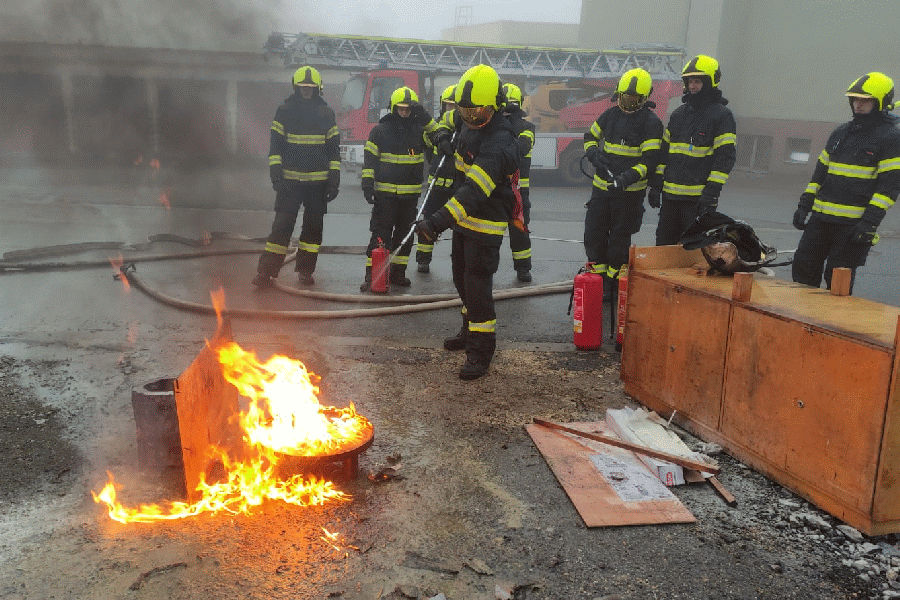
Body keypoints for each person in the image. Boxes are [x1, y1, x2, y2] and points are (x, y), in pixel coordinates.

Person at [415, 64, 522, 380]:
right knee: (462, 280)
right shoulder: (466, 117)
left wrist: (436, 222)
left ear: (494, 106)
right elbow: (442, 122)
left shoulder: (500, 142)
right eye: (465, 112)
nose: (470, 119)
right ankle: (468, 332)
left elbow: (474, 192)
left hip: (485, 221)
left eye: (477, 113)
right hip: (464, 220)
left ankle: (480, 352)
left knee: (477, 287)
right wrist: (442, 137)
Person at [792, 72, 900, 293]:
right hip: (820, 220)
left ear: (881, 103)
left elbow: (889, 187)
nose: (858, 104)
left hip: (852, 226)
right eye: (855, 99)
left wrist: (869, 224)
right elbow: (819, 175)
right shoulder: (841, 132)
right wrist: (804, 206)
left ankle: (832, 317)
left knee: (837, 281)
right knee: (803, 270)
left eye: (865, 100)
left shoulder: (890, 138)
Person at [253, 65, 340, 287]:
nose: (306, 90)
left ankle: (305, 271)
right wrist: (276, 173)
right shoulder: (284, 111)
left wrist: (333, 180)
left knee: (313, 229)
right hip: (289, 182)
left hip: (318, 184)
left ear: (317, 88)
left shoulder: (326, 114)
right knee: (281, 227)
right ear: (296, 87)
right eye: (303, 87)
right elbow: (275, 146)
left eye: (310, 87)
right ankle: (266, 273)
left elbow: (333, 150)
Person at [582, 68, 663, 292]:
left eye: (633, 100)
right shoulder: (610, 115)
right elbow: (590, 136)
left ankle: (614, 284)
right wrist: (593, 153)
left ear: (644, 99)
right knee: (593, 234)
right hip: (601, 189)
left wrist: (626, 179)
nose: (627, 103)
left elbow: (649, 161)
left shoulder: (650, 123)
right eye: (624, 97)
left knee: (619, 240)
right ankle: (597, 279)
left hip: (629, 194)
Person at [649, 55, 736, 246]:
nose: (692, 86)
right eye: (689, 82)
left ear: (710, 82)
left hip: (697, 200)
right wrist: (656, 185)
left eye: (697, 81)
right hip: (670, 199)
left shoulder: (722, 116)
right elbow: (664, 153)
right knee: (664, 246)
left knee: (693, 250)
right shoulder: (679, 114)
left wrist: (711, 194)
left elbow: (725, 159)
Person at [360, 86, 437, 291]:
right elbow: (369, 160)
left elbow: (438, 136)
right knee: (380, 235)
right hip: (385, 196)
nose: (404, 112)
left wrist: (425, 118)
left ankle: (397, 273)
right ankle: (372, 275)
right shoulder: (379, 131)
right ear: (393, 108)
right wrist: (367, 184)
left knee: (405, 236)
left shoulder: (420, 131)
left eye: (408, 109)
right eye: (401, 109)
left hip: (409, 197)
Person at [415, 84, 458, 274]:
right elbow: (427, 143)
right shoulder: (436, 128)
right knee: (428, 222)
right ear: (442, 106)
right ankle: (423, 260)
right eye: (448, 105)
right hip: (437, 185)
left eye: (455, 106)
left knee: (461, 226)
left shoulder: (466, 130)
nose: (451, 109)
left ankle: (459, 261)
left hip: (457, 187)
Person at [501, 83, 536, 282]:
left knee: (520, 231)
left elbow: (522, 148)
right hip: (498, 190)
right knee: (489, 233)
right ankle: (484, 270)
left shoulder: (526, 128)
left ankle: (523, 269)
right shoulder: (494, 128)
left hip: (518, 193)